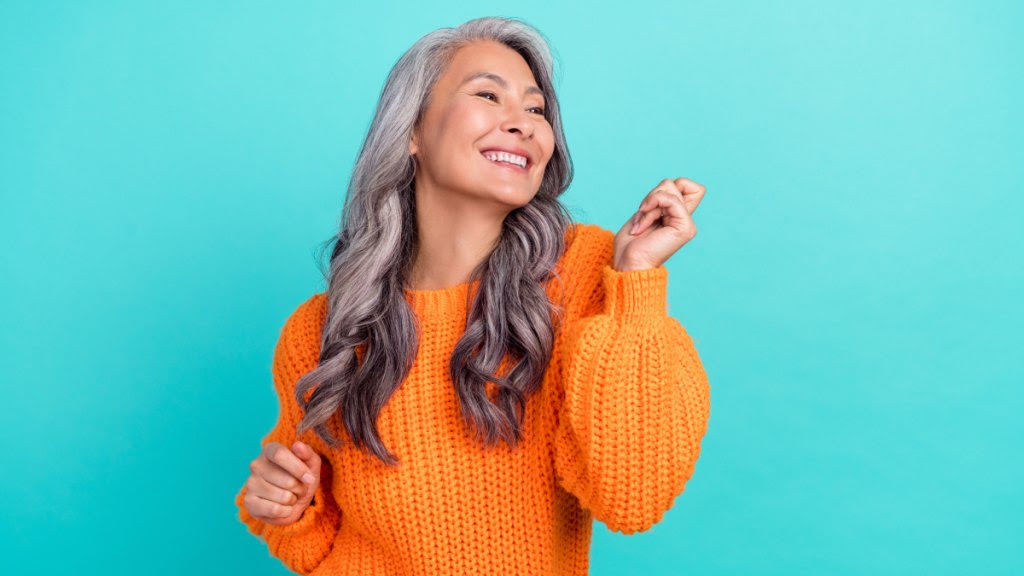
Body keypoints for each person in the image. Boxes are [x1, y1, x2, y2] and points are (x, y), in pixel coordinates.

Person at [235, 15, 710, 576]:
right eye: (489, 95)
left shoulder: (585, 274)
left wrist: (635, 284)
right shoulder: (324, 327)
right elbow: (314, 540)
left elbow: (633, 495)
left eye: (536, 110)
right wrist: (287, 507)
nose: (524, 124)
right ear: (411, 131)